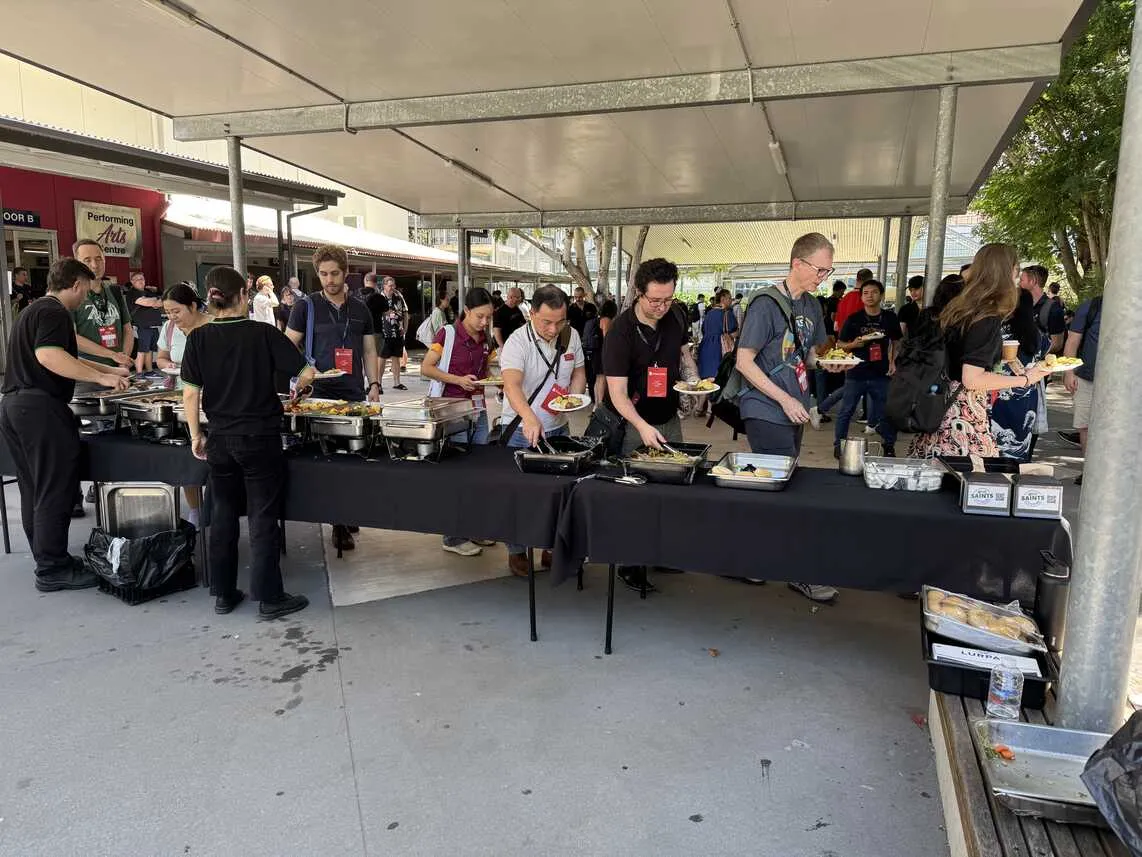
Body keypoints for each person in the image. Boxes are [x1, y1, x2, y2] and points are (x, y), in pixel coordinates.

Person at [182, 266, 315, 619]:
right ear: (243, 296)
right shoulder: (263, 333)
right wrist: (299, 389)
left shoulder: (197, 338)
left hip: (220, 440)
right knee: (261, 515)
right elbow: (306, 372)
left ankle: (224, 593)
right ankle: (269, 597)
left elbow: (190, 395)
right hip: (259, 438)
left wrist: (196, 434)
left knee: (222, 514)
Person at [0, 258, 129, 591]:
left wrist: (110, 370)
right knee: (54, 487)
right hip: (40, 408)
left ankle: (48, 559)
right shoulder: (56, 312)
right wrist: (99, 376)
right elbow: (49, 356)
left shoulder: (35, 310)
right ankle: (53, 567)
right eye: (85, 290)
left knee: (34, 488)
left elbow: (63, 353)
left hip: (15, 406)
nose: (85, 297)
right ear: (75, 285)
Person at [735, 233, 838, 603]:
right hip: (765, 408)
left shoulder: (811, 306)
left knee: (772, 485)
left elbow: (807, 356)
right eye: (819, 269)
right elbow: (744, 361)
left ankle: (748, 558)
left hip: (794, 406)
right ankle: (798, 571)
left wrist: (829, 361)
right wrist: (782, 399)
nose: (822, 277)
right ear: (797, 263)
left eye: (828, 271)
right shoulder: (765, 303)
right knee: (784, 490)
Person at [910, 244, 1050, 458]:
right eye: (1016, 270)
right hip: (962, 417)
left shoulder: (960, 308)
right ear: (1010, 271)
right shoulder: (986, 315)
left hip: (940, 408)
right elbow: (972, 379)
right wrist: (1025, 379)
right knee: (973, 484)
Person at [286, 245, 380, 552]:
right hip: (319, 393)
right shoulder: (306, 307)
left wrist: (375, 383)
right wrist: (303, 372)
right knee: (327, 460)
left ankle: (345, 511)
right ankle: (338, 523)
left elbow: (368, 350)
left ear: (346, 272)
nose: (329, 280)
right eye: (324, 274)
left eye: (335, 273)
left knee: (352, 458)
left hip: (352, 391)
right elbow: (288, 346)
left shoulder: (361, 309)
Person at [500, 286, 587, 577]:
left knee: (558, 494)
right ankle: (517, 550)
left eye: (559, 321)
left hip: (558, 426)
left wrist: (573, 398)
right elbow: (511, 385)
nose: (553, 328)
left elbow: (578, 372)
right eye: (546, 322)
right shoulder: (517, 342)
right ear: (532, 313)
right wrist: (529, 417)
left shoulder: (570, 335)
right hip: (521, 429)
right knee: (521, 495)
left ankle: (553, 548)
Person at [420, 288, 498, 556]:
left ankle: (474, 528)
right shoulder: (447, 334)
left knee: (479, 472)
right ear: (466, 311)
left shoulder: (485, 339)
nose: (484, 322)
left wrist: (494, 382)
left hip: (479, 409)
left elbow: (485, 370)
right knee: (459, 474)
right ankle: (453, 536)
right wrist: (458, 380)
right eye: (479, 316)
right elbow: (426, 368)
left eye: (488, 317)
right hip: (452, 410)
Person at [155, 283, 210, 526]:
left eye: (176, 311)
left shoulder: (212, 326)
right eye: (167, 312)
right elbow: (161, 358)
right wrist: (168, 366)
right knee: (187, 459)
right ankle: (196, 510)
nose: (172, 317)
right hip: (181, 398)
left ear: (193, 306)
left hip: (211, 401)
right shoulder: (169, 329)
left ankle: (218, 508)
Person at [833, 278, 902, 458]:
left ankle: (888, 445)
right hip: (856, 372)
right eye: (865, 293)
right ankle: (839, 444)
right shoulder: (854, 319)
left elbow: (897, 341)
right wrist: (853, 344)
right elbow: (840, 344)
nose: (869, 296)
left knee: (885, 411)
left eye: (874, 292)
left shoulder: (889, 318)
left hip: (881, 372)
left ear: (881, 295)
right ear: (861, 297)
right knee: (846, 410)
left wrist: (893, 361)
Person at [989, 288, 1042, 461]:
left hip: (997, 390)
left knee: (993, 444)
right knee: (1019, 441)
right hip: (1026, 393)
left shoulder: (997, 330)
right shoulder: (1037, 334)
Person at [70, 240, 135, 370]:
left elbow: (128, 329)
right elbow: (71, 337)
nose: (94, 265)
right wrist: (112, 355)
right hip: (87, 372)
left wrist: (123, 362)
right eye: (87, 260)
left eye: (99, 259)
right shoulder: (71, 295)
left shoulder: (115, 291)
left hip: (118, 370)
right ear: (77, 264)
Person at [1062, 294, 1102, 484]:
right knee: (1085, 426)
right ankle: (1090, 472)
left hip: (1122, 384)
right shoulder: (1091, 306)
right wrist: (1069, 372)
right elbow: (1072, 341)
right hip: (1086, 378)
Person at [1020, 265, 1066, 356]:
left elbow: (1057, 344)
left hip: (1042, 366)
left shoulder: (1053, 308)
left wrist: (1031, 355)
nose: (1018, 284)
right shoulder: (1020, 305)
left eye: (1021, 280)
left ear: (1032, 281)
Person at [374, 276, 408, 392]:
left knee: (396, 358)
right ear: (384, 286)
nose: (392, 288)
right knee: (381, 358)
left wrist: (405, 328)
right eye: (390, 285)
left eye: (393, 285)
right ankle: (378, 383)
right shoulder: (378, 298)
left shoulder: (398, 297)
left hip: (397, 332)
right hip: (384, 333)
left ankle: (397, 382)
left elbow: (405, 313)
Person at [126, 271, 163, 374]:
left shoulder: (148, 291)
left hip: (152, 325)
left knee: (150, 349)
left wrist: (155, 300)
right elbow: (148, 302)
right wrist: (154, 301)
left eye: (142, 279)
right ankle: (139, 373)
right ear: (132, 281)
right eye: (137, 279)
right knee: (142, 350)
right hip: (141, 326)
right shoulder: (132, 293)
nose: (141, 281)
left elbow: (160, 303)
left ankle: (150, 371)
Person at [698, 289, 737, 380]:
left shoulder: (709, 313)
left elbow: (703, 329)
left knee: (706, 377)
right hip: (719, 347)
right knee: (719, 375)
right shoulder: (727, 313)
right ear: (722, 299)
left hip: (705, 346)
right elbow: (733, 332)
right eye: (729, 298)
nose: (731, 300)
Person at [591, 299, 619, 404]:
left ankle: (597, 404)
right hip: (602, 352)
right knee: (602, 379)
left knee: (598, 380)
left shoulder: (599, 319)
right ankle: (600, 404)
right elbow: (607, 338)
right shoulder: (607, 320)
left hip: (596, 352)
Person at [833, 268, 874, 336]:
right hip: (861, 342)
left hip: (844, 342)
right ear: (869, 281)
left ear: (857, 279)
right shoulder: (868, 299)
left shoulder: (844, 299)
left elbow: (836, 327)